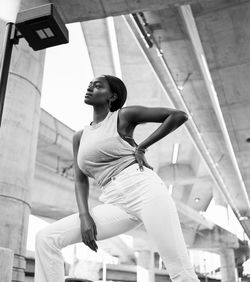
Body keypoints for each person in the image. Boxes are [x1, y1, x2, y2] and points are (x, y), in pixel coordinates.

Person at [35, 75, 200, 282]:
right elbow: (80, 180)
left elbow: (178, 116)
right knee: (46, 238)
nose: (90, 87)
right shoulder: (79, 137)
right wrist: (84, 216)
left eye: (97, 86)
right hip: (114, 201)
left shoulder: (122, 116)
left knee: (181, 272)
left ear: (112, 96)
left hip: (144, 189)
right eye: (89, 85)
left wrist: (142, 146)